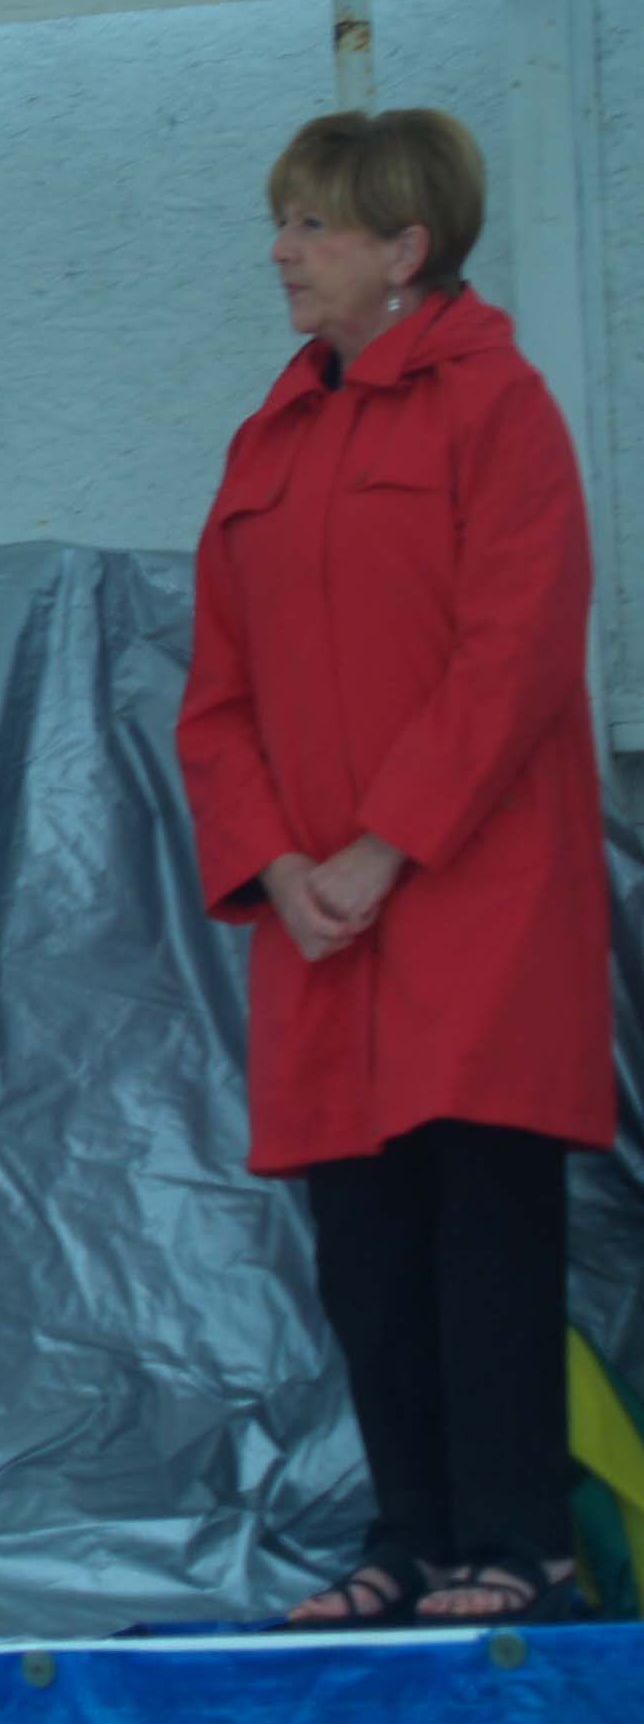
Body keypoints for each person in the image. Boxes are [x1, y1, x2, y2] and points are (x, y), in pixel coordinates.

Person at [176, 108, 614, 1627]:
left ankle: (519, 1536)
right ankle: (412, 1533)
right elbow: (214, 692)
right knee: (364, 1246)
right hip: (322, 921)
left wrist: (382, 843)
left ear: (403, 248)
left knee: (481, 1217)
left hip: (471, 900)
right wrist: (276, 863)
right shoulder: (269, 437)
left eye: (311, 225)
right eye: (284, 220)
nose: (282, 252)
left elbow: (518, 653)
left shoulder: (500, 412)